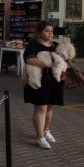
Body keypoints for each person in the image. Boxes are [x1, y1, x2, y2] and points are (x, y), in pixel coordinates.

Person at [23, 21, 66, 150]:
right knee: (40, 108)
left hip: (55, 80)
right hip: (39, 80)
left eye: (52, 31)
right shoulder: (33, 45)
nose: (50, 34)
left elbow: (65, 58)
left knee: (50, 108)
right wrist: (49, 65)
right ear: (40, 31)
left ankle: (46, 130)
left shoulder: (56, 45)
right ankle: (40, 137)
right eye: (47, 31)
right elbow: (30, 59)